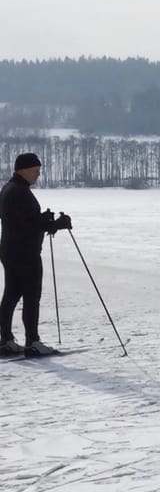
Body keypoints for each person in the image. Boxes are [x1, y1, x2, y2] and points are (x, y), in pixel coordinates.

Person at [0, 153, 72, 357]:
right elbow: (27, 224)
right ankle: (33, 342)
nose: (38, 175)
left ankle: (6, 340)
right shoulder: (19, 192)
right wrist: (56, 224)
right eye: (35, 171)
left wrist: (42, 220)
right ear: (23, 169)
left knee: (11, 295)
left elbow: (21, 219)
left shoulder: (8, 189)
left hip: (10, 250)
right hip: (25, 253)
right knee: (31, 296)